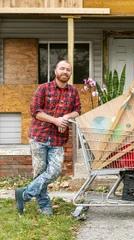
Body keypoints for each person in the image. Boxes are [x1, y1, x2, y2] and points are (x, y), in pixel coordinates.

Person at [15, 60, 81, 215]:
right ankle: (45, 205)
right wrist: (56, 120)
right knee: (40, 172)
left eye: (68, 70)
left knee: (55, 171)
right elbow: (35, 111)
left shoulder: (73, 92)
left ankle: (24, 194)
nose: (65, 72)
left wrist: (66, 117)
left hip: (58, 139)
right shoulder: (43, 88)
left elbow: (78, 110)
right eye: (62, 69)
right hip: (39, 136)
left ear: (70, 73)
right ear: (55, 71)